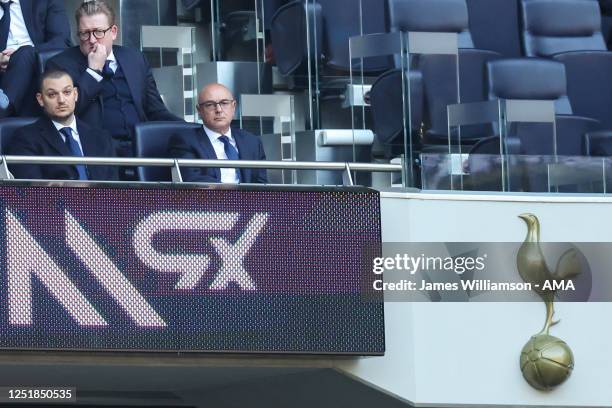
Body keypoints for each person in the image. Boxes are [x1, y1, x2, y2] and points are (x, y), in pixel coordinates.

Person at [46, 0, 181, 178]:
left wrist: (192, 131)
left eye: (99, 32)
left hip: (140, 146)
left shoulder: (135, 59)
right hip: (95, 151)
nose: (92, 40)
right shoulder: (60, 64)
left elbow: (156, 110)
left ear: (114, 32)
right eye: (85, 34)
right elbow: (66, 111)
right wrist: (93, 71)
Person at [7, 69, 117, 181]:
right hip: (54, 198)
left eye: (67, 92)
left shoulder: (101, 138)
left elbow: (115, 188)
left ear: (75, 94)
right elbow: (32, 191)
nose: (61, 100)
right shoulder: (25, 138)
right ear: (40, 99)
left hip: (100, 198)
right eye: (52, 94)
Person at [168, 83, 267, 184]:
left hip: (248, 199)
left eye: (224, 103)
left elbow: (262, 185)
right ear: (199, 111)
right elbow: (193, 181)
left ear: (233, 107)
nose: (219, 110)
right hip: (209, 199)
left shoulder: (252, 142)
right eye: (210, 105)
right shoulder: (185, 141)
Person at [0, 0, 72, 117]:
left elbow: (62, 40)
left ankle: (3, 110)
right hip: (5, 73)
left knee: (24, 54)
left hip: (38, 65)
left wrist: (19, 56)